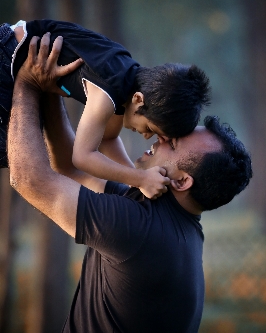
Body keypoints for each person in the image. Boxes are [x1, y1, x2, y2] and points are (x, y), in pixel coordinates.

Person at [8, 34, 252, 332]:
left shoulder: (142, 231)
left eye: (172, 143)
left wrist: (26, 84)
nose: (160, 138)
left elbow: (29, 180)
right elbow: (71, 170)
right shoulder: (163, 213)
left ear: (183, 181)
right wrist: (51, 88)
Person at [0, 20, 211, 198]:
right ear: (139, 100)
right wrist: (140, 179)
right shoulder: (108, 91)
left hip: (14, 57)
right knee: (14, 149)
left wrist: (133, 180)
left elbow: (107, 138)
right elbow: (82, 156)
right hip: (9, 56)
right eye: (150, 128)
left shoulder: (127, 85)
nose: (146, 137)